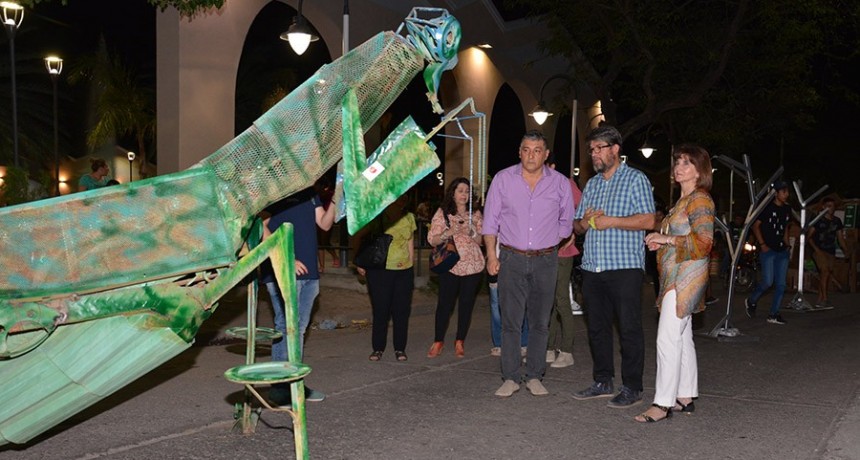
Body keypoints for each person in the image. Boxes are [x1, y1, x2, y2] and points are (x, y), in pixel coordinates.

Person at [483, 130, 574, 397]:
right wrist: (491, 255)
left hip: (546, 260)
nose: (530, 155)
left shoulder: (559, 183)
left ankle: (534, 375)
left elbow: (566, 221)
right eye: (526, 149)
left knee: (540, 322)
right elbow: (490, 222)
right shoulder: (502, 180)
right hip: (510, 258)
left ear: (546, 155)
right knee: (511, 322)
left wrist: (550, 242)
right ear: (519, 152)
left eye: (537, 150)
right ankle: (510, 377)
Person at [571, 124, 655, 408]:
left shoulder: (635, 179)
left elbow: (648, 220)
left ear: (615, 149)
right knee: (597, 329)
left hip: (624, 269)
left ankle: (633, 386)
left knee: (629, 328)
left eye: (599, 149)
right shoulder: (592, 185)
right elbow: (578, 226)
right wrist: (585, 221)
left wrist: (612, 221)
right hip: (592, 269)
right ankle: (602, 381)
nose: (594, 154)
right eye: (591, 150)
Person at [636, 144, 715, 423]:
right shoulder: (682, 201)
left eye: (687, 163)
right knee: (682, 337)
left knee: (667, 338)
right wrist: (661, 241)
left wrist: (666, 239)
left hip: (685, 280)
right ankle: (685, 395)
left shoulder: (700, 200)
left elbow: (704, 243)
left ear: (699, 171)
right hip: (674, 276)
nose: (679, 167)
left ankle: (662, 403)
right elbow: (683, 238)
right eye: (677, 162)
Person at [261, 187, 337, 406]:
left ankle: (294, 383)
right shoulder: (274, 190)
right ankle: (279, 388)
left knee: (299, 329)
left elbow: (324, 223)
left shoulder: (309, 192)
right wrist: (285, 258)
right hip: (281, 269)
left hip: (309, 271)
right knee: (285, 326)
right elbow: (260, 226)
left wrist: (335, 199)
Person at [426, 178, 485, 358]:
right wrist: (448, 233)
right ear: (452, 193)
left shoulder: (475, 214)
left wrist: (473, 232)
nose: (464, 194)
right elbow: (432, 239)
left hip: (472, 266)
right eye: (460, 190)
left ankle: (460, 341)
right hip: (450, 265)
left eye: (467, 191)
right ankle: (438, 341)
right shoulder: (442, 213)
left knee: (466, 305)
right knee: (445, 304)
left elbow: (481, 240)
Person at [357, 194, 416, 362]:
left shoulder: (409, 217)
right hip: (380, 270)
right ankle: (378, 348)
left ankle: (400, 348)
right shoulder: (376, 214)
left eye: (404, 197)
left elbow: (410, 244)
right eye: (398, 196)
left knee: (401, 312)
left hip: (403, 271)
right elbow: (362, 237)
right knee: (381, 310)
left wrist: (410, 267)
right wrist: (361, 261)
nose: (401, 200)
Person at [545, 157, 582, 369]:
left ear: (552, 164)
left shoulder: (565, 183)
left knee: (561, 300)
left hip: (563, 252)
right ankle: (549, 349)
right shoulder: (536, 185)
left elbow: (582, 205)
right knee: (547, 302)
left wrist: (569, 231)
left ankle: (567, 351)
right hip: (544, 252)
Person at [745, 181, 792, 325]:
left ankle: (774, 313)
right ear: (776, 193)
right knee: (767, 281)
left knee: (781, 284)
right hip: (768, 250)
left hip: (781, 250)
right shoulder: (766, 208)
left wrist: (787, 243)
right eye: (783, 192)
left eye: (787, 191)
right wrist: (762, 244)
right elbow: (755, 226)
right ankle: (752, 300)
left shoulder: (787, 209)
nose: (786, 194)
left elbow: (785, 227)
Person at [808, 197, 847, 308]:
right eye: (828, 206)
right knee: (825, 271)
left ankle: (820, 299)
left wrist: (845, 250)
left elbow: (840, 238)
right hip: (818, 250)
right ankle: (825, 298)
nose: (831, 208)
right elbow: (809, 237)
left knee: (825, 274)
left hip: (830, 250)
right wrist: (817, 250)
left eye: (832, 206)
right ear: (823, 207)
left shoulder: (836, 221)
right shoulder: (818, 220)